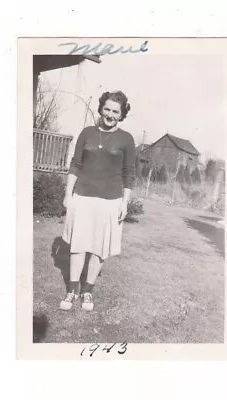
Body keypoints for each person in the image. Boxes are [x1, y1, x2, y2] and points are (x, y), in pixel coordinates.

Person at [59, 90, 136, 312]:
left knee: (100, 248)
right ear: (101, 109)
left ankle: (88, 292)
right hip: (82, 196)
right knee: (78, 244)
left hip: (110, 200)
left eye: (115, 111)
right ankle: (72, 290)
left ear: (122, 115)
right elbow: (75, 164)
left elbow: (129, 173)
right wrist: (68, 194)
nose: (110, 114)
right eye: (107, 109)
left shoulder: (127, 139)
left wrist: (124, 203)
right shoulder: (87, 133)